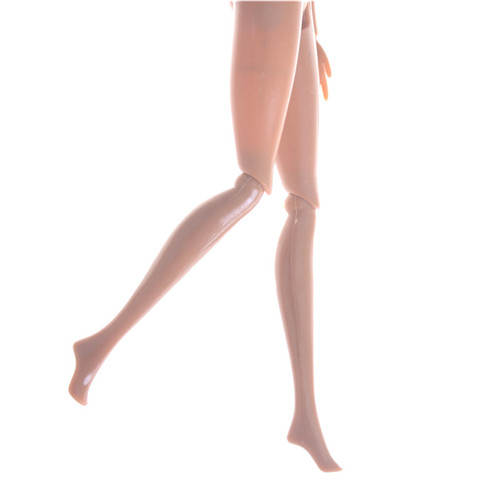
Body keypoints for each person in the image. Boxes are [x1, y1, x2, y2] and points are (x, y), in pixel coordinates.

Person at [69, 1, 339, 472]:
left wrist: (312, 27)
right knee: (252, 184)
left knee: (304, 205)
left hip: (300, 13)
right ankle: (98, 346)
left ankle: (306, 417)